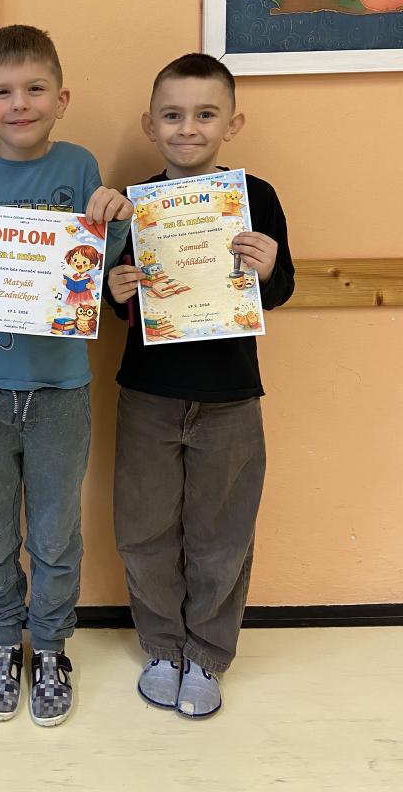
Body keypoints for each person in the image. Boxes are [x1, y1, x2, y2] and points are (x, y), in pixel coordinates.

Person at [0, 25, 133, 727]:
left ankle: (54, 647)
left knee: (56, 530)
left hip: (61, 389)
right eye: (3, 93)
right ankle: (5, 641)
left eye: (35, 89)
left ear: (61, 100)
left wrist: (115, 218)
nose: (20, 104)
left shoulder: (79, 165)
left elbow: (98, 267)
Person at [106, 53, 294, 719]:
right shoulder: (133, 204)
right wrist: (118, 290)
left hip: (231, 397)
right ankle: (162, 647)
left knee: (223, 534)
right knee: (144, 529)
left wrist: (268, 269)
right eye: (173, 115)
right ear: (150, 124)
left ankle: (208, 654)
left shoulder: (255, 196)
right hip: (149, 393)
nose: (188, 128)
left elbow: (281, 289)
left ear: (232, 124)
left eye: (205, 114)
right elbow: (118, 305)